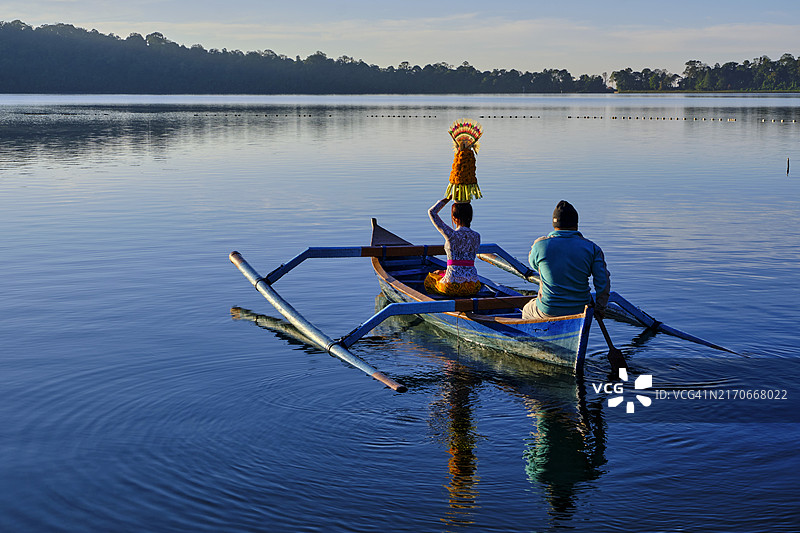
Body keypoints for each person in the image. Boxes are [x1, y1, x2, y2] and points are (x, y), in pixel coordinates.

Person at [522, 200, 610, 320]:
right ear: (576, 224)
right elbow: (603, 281)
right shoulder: (592, 248)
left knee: (526, 310)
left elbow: (534, 264)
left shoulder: (540, 245)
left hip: (548, 309)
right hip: (581, 309)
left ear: (554, 225)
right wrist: (600, 308)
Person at [424, 197, 482, 297]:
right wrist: (444, 272)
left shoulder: (451, 235)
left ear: (454, 218)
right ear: (470, 217)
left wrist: (449, 197)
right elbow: (463, 264)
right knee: (441, 274)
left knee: (429, 280)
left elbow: (432, 212)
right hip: (473, 286)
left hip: (451, 286)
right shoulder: (477, 236)